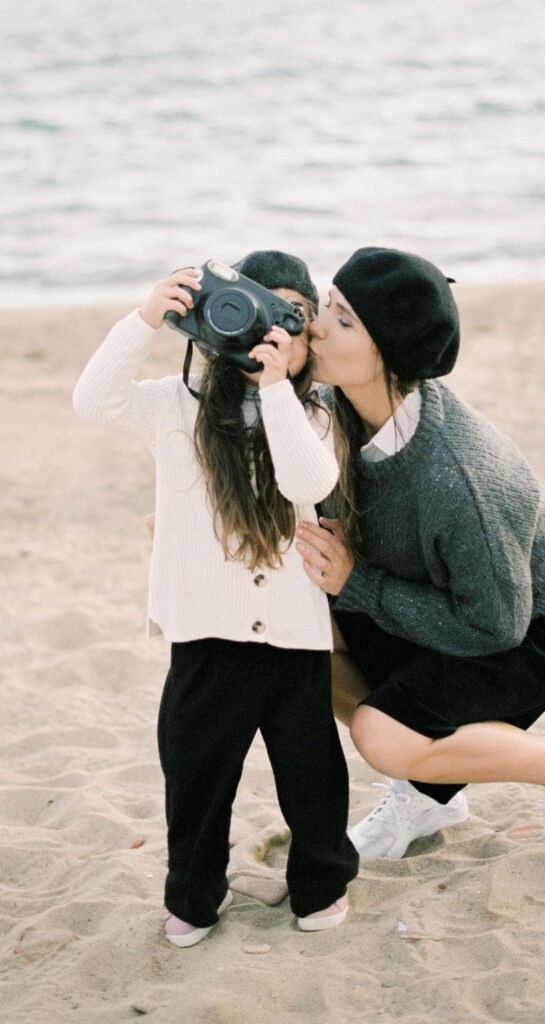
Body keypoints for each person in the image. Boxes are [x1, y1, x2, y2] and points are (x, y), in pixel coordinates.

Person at [294, 246, 545, 883]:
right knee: (302, 645)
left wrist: (357, 582)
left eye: (341, 321)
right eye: (325, 306)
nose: (316, 327)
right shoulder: (339, 408)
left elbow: (495, 626)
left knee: (383, 734)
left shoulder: (460, 477)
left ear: (386, 355)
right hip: (437, 594)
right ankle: (428, 800)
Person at [73, 251, 358, 946]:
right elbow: (94, 401)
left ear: (305, 331)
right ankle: (193, 899)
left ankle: (319, 886)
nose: (267, 332)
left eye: (286, 318)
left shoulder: (312, 412)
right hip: (205, 633)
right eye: (252, 309)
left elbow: (303, 481)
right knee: (196, 778)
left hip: (291, 634)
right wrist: (147, 318)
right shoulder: (176, 407)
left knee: (310, 775)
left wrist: (275, 388)